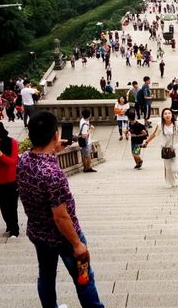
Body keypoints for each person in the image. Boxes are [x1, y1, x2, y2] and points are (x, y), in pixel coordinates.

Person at [17, 111, 105, 308]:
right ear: (55, 134)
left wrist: (53, 148)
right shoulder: (53, 174)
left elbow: (39, 161)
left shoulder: (23, 160)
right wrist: (77, 244)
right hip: (64, 238)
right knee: (83, 278)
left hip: (39, 233)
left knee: (46, 276)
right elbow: (61, 217)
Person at [142, 108, 178, 188]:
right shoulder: (159, 124)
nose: (167, 115)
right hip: (165, 149)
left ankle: (177, 175)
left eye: (169, 113)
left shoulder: (177, 124)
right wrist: (146, 142)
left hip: (175, 148)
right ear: (162, 116)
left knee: (174, 168)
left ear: (172, 115)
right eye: (165, 114)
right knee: (168, 168)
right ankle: (170, 182)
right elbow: (153, 134)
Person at [78, 109, 96, 173]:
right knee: (87, 156)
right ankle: (87, 168)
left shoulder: (83, 120)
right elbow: (84, 135)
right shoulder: (85, 124)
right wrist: (91, 129)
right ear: (89, 115)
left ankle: (87, 168)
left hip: (87, 141)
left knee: (86, 155)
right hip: (86, 142)